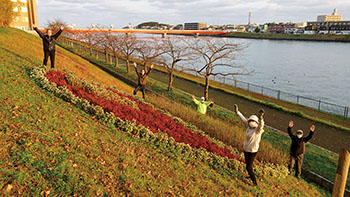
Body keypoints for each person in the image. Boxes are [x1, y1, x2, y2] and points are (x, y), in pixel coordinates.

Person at [234, 104, 265, 186]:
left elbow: (261, 125)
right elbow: (243, 118)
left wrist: (261, 118)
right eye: (250, 120)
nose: (251, 122)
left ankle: (255, 182)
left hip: (252, 151)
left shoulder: (257, 130)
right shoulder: (248, 126)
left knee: (248, 167)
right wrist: (237, 111)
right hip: (246, 149)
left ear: (256, 122)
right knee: (248, 165)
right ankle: (250, 175)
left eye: (253, 121)